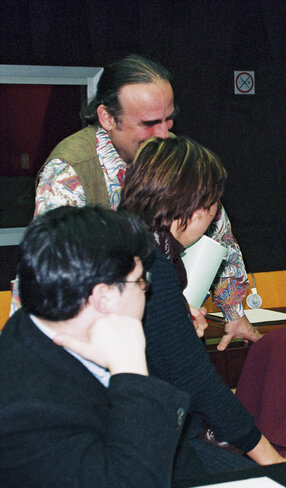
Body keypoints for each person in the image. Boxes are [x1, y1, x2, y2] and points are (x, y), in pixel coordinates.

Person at [30, 54, 257, 349]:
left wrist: (234, 313)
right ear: (107, 118)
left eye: (169, 119)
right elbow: (53, 273)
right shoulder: (69, 170)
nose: (164, 134)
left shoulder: (171, 153)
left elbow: (217, 233)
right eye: (149, 123)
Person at [0, 206, 188, 488]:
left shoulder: (44, 327)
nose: (145, 291)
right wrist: (131, 370)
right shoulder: (25, 410)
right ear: (104, 298)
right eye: (140, 282)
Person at [120, 136, 286, 466]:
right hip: (135, 442)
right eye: (214, 205)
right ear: (195, 210)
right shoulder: (154, 268)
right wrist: (271, 459)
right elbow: (196, 381)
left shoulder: (124, 241)